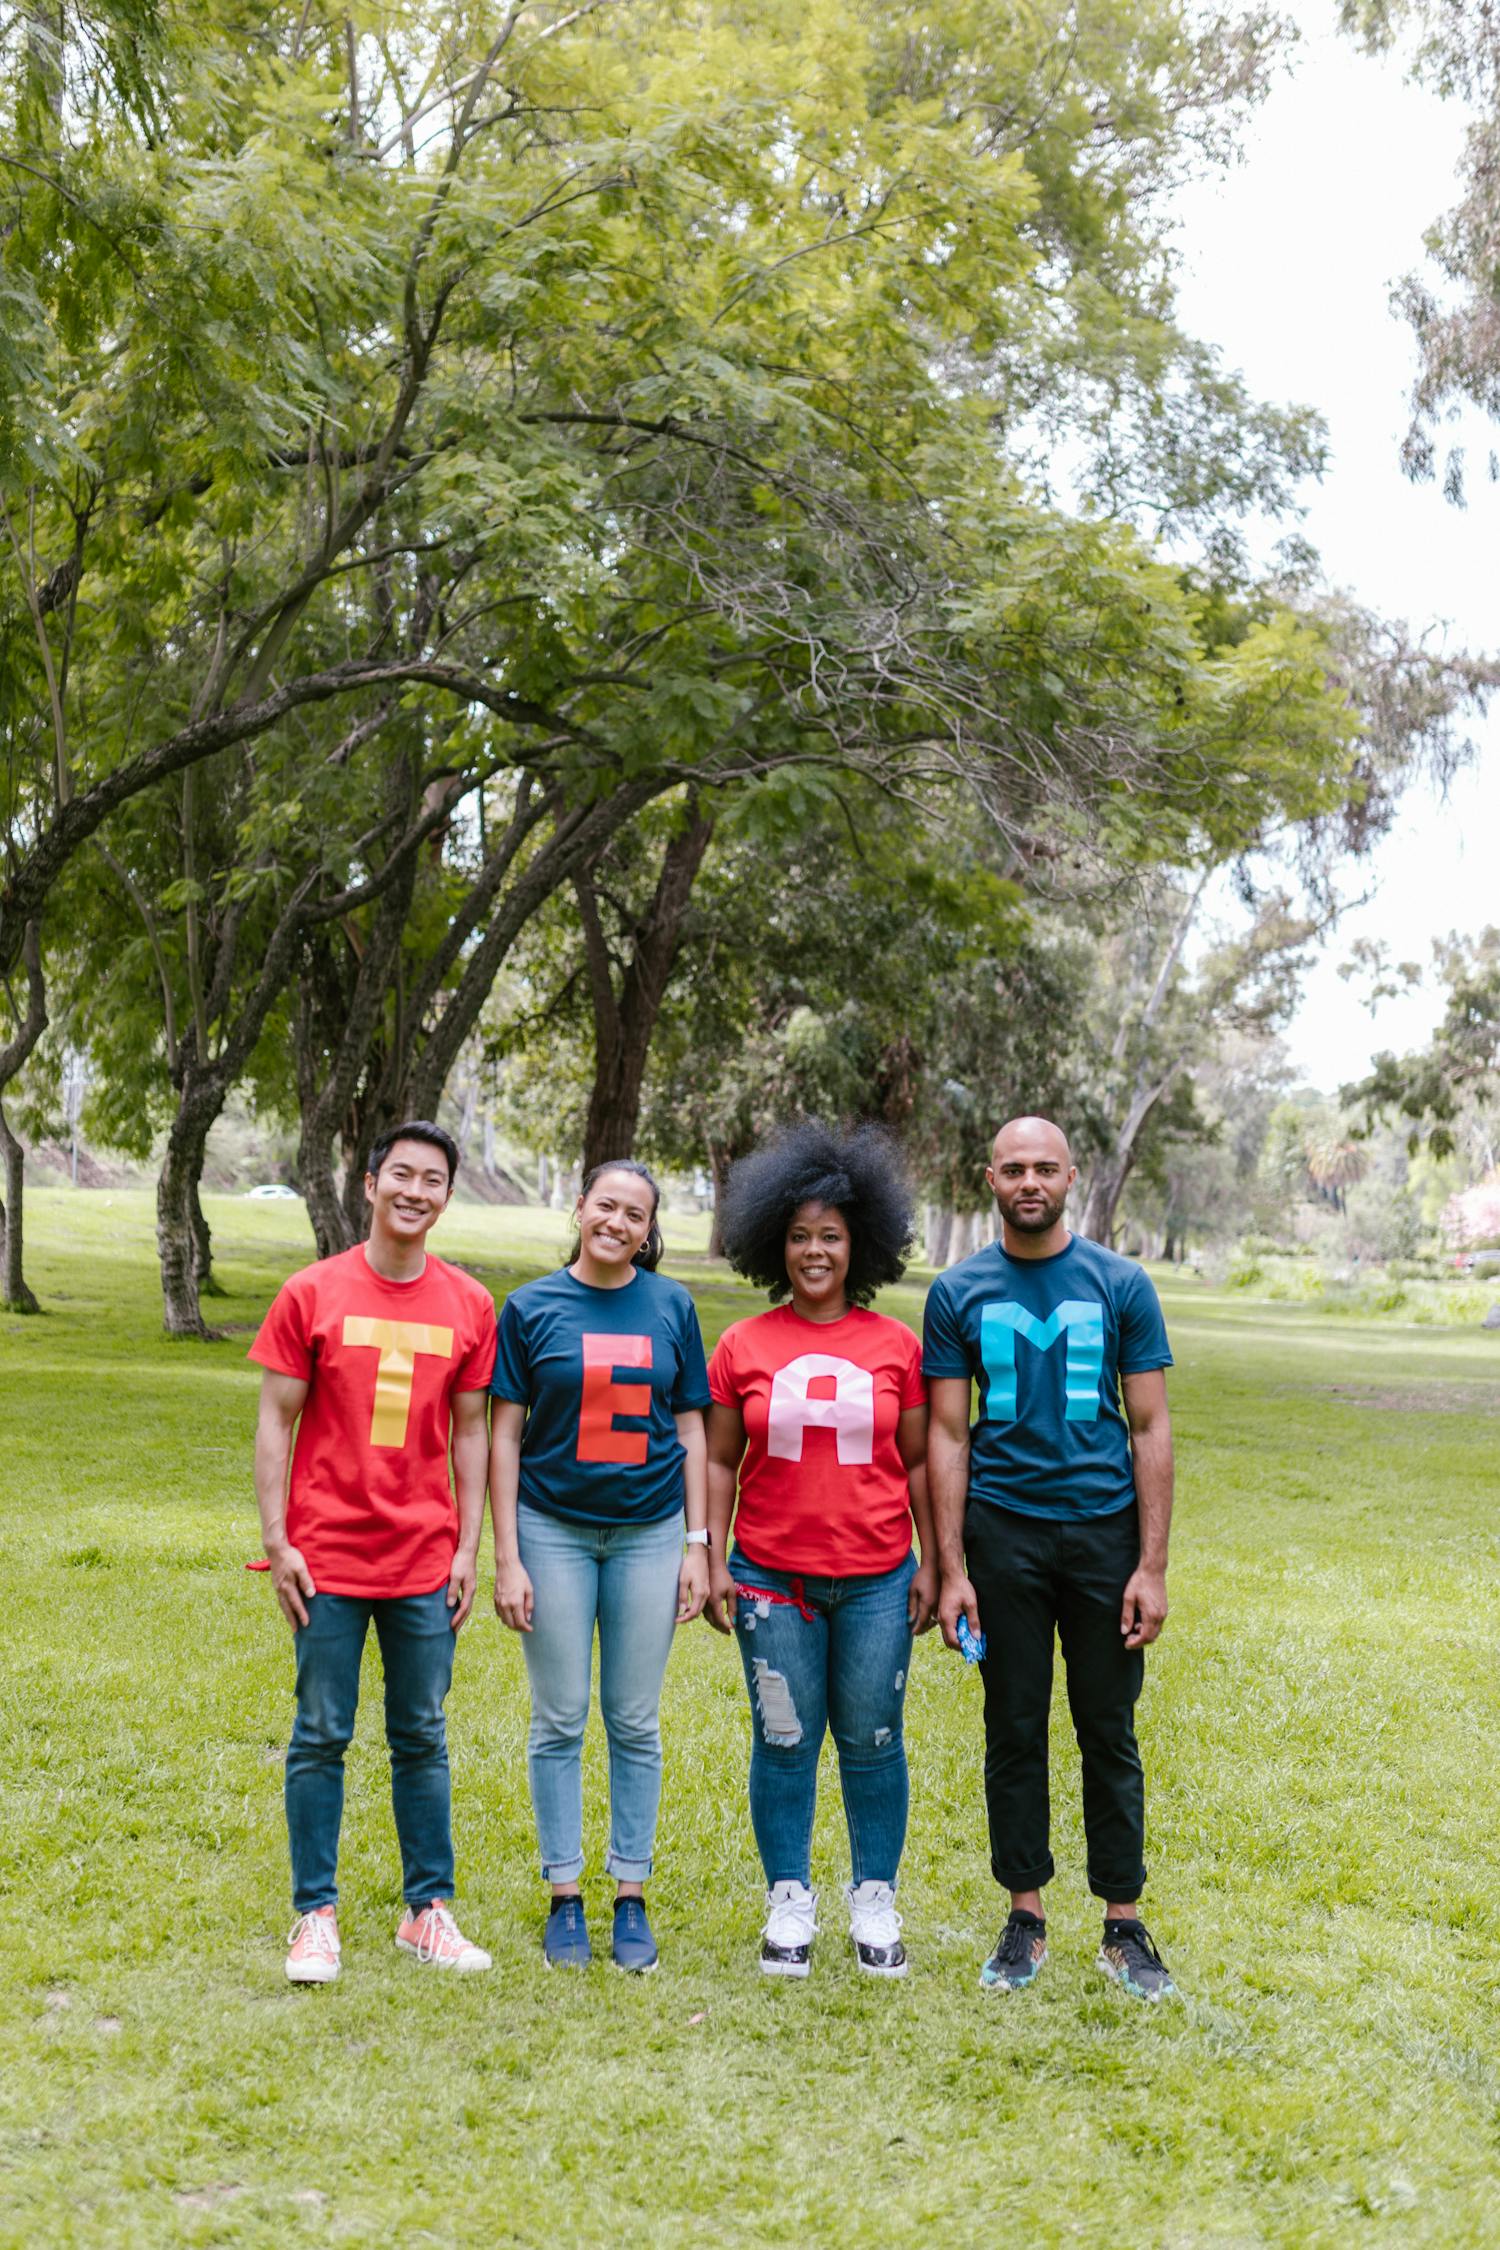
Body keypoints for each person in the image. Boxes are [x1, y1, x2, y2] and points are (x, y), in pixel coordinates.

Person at [924, 1115, 1178, 2001]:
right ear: (986, 1178)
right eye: (1013, 1169)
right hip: (1004, 1534)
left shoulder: (1121, 1283)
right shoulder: (958, 1291)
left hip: (1105, 1532)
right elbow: (948, 1435)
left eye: (1046, 1168)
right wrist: (951, 1567)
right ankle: (1025, 1916)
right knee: (1015, 1724)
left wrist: (1150, 1565)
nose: (1029, 1182)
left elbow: (1148, 1424)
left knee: (1109, 1727)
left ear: (1073, 1176)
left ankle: (1123, 1924)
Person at [250, 1120, 497, 1985]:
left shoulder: (470, 1304)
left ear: (446, 1197)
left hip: (424, 1558)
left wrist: (469, 1547)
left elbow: (472, 1431)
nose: (415, 1191)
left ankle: (426, 1912)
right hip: (326, 1557)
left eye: (432, 1180)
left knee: (422, 1735)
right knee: (319, 1735)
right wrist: (278, 1540)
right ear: (368, 1183)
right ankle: (313, 1916)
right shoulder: (311, 1293)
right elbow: (276, 1417)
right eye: (401, 1175)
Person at [704, 1122, 937, 1980]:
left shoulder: (896, 1346)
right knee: (784, 1740)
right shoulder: (743, 1345)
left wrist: (940, 1565)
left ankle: (874, 1898)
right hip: (771, 1575)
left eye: (831, 1236)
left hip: (879, 1577)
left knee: (874, 1740)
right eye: (799, 1235)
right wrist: (709, 1554)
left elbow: (916, 1461)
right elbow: (722, 1458)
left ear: (859, 1243)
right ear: (773, 1240)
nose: (814, 1251)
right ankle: (789, 1899)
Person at [489, 1160, 710, 1973]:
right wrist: (506, 1556)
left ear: (651, 1229)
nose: (617, 1223)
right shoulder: (530, 1307)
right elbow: (504, 1434)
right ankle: (564, 1897)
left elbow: (690, 1429)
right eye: (605, 1206)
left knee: (633, 1719)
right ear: (579, 1207)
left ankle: (631, 1894)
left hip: (650, 1533)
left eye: (635, 1214)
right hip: (551, 1530)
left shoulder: (672, 1305)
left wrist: (696, 1544)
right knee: (559, 1717)